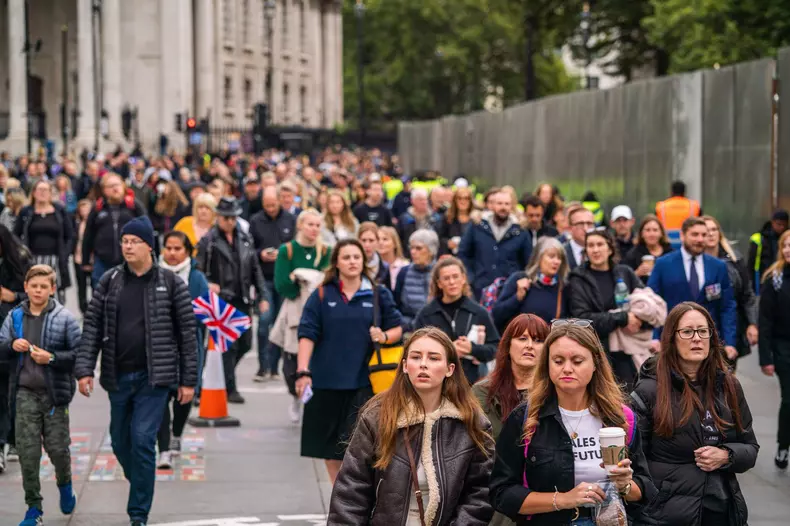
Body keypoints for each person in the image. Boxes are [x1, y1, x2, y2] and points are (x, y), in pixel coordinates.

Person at [75, 216, 197, 526]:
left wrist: (188, 380)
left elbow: (187, 333)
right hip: (118, 376)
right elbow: (92, 325)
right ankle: (142, 481)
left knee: (143, 439)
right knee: (119, 440)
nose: (127, 246)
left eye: (134, 242)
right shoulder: (111, 280)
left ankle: (138, 513)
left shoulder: (170, 283)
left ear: (149, 247)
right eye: (124, 242)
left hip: (154, 378)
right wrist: (84, 368)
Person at [490, 320, 655, 525]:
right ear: (547, 365)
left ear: (595, 363)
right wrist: (564, 499)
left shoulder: (621, 418)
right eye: (558, 361)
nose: (567, 369)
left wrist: (625, 485)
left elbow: (645, 488)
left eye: (577, 361)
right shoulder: (525, 418)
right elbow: (502, 493)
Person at [328, 327, 495, 526]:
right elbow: (351, 491)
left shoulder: (471, 422)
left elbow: (480, 494)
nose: (423, 364)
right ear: (405, 365)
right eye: (416, 357)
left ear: (450, 369)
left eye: (433, 358)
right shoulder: (377, 416)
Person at [631, 302, 758, 525]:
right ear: (671, 338)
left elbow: (750, 448)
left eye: (703, 331)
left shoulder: (728, 385)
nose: (696, 338)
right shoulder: (649, 390)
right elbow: (634, 459)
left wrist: (727, 455)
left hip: (720, 507)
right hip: (667, 512)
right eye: (687, 332)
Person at [295, 239, 402, 484]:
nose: (352, 261)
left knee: (363, 448)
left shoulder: (377, 292)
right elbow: (307, 333)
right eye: (346, 257)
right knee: (329, 448)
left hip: (364, 384)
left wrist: (384, 336)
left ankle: (358, 498)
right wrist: (303, 371)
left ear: (363, 261)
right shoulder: (322, 294)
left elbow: (397, 327)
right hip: (326, 381)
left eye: (357, 257)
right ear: (336, 263)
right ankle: (339, 496)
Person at [0, 265, 81, 526]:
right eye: (33, 286)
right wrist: (11, 345)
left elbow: (79, 355)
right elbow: (1, 346)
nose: (38, 290)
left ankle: (65, 483)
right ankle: (33, 508)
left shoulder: (65, 318)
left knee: (58, 449)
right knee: (28, 452)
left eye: (43, 286)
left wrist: (52, 358)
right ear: (25, 287)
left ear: (52, 289)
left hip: (54, 395)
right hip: (24, 393)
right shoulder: (14, 317)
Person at [196, 197, 269, 404]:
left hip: (243, 298)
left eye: (233, 217)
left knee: (245, 343)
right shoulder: (209, 241)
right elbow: (198, 269)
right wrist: (208, 283)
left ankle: (217, 377)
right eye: (226, 217)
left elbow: (255, 269)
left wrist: (262, 296)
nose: (230, 221)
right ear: (218, 217)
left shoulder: (244, 237)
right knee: (228, 347)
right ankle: (229, 387)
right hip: (222, 301)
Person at [648, 217, 738, 357]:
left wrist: (730, 342)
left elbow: (727, 306)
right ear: (682, 235)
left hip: (708, 342)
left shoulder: (717, 266)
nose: (700, 239)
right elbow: (653, 303)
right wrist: (655, 337)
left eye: (704, 235)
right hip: (672, 341)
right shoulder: (663, 264)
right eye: (695, 234)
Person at [273, 208, 331, 420]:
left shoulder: (325, 251)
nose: (314, 229)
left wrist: (305, 278)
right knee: (291, 356)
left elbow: (327, 279)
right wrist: (300, 282)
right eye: (310, 224)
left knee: (317, 354)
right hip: (295, 309)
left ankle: (311, 399)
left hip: (321, 308)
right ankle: (295, 395)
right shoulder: (287, 250)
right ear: (300, 225)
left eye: (317, 225)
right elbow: (282, 284)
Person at [156, 232, 209, 468]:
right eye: (168, 248)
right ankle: (164, 448)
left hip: (188, 345)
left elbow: (205, 313)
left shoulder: (196, 278)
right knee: (160, 397)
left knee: (184, 397)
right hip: (159, 345)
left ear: (187, 252)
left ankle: (176, 434)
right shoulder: (154, 274)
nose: (172, 253)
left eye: (178, 248)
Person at [568, 230, 645, 389]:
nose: (595, 250)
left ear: (610, 249)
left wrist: (638, 318)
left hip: (627, 351)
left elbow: (646, 302)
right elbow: (582, 318)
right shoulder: (578, 279)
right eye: (590, 245)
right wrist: (622, 318)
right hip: (597, 351)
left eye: (600, 244)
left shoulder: (625, 273)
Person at [412, 257, 499, 384]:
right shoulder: (426, 314)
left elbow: (496, 349)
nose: (452, 282)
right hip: (435, 383)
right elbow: (415, 351)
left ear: (463, 278)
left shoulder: (479, 312)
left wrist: (472, 349)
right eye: (446, 278)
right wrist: (449, 351)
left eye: (455, 276)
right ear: (439, 283)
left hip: (470, 384)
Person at [249, 186, 296, 382]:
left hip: (283, 278)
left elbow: (295, 245)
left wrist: (282, 254)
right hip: (264, 278)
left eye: (273, 205)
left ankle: (275, 367)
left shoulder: (290, 220)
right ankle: (263, 366)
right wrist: (261, 254)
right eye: (266, 205)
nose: (270, 208)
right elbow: (249, 249)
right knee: (264, 322)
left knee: (279, 324)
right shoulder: (255, 220)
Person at [703, 215, 758, 369]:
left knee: (727, 377)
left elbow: (747, 294)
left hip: (732, 324)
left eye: (714, 229)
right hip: (705, 325)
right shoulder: (696, 263)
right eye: (706, 231)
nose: (711, 234)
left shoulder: (734, 258)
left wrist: (752, 323)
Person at [0, 225, 34, 472]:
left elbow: (37, 297)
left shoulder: (17, 263)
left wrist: (13, 296)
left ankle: (7, 439)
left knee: (7, 389)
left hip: (8, 335)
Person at [458, 190, 533, 299]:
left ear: (512, 206)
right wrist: (470, 278)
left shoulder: (521, 231)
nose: (503, 207)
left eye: (507, 204)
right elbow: (463, 253)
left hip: (508, 291)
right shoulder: (477, 226)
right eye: (499, 203)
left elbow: (529, 262)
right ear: (492, 205)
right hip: (479, 288)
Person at [758, 229, 790, 469]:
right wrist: (765, 357)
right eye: (786, 245)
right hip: (783, 347)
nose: (788, 250)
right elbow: (765, 320)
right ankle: (783, 445)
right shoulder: (775, 278)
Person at [82, 173, 147, 288]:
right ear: (104, 190)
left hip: (130, 260)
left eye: (117, 185)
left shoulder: (133, 206)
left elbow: (147, 230)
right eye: (110, 186)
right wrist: (85, 260)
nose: (115, 188)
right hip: (103, 261)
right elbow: (88, 235)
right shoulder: (98, 208)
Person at [15, 179, 75, 304]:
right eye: (39, 190)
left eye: (45, 190)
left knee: (55, 293)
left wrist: (66, 253)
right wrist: (22, 252)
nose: (42, 193)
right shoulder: (26, 211)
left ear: (50, 193)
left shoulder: (59, 211)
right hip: (32, 260)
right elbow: (15, 234)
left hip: (55, 260)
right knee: (34, 293)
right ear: (34, 193)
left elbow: (70, 235)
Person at [492, 237, 569, 332]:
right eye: (551, 256)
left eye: (559, 257)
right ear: (539, 257)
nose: (556, 261)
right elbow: (497, 315)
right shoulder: (520, 278)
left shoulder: (563, 287)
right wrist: (517, 297)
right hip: (521, 341)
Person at [394, 229, 439, 334]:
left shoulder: (441, 272)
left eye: (418, 248)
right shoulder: (404, 272)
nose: (413, 252)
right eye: (411, 248)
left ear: (431, 251)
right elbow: (396, 305)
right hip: (409, 329)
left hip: (436, 328)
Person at [749, 208, 789, 294]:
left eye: (784, 225)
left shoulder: (787, 237)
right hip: (762, 281)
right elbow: (751, 263)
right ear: (772, 222)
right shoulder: (760, 238)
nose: (782, 227)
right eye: (779, 224)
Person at [623, 214, 673, 280]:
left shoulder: (670, 253)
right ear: (641, 234)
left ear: (661, 233)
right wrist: (637, 273)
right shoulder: (632, 255)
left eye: (655, 230)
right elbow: (624, 280)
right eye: (647, 230)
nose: (651, 234)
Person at [655, 180, 701, 249]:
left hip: (666, 244)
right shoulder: (694, 206)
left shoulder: (661, 206)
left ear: (672, 191)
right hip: (689, 244)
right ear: (684, 192)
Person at [73, 199, 93, 315]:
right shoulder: (76, 224)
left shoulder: (95, 224)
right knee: (81, 285)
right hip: (78, 258)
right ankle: (83, 308)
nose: (85, 211)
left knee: (95, 284)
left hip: (92, 259)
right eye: (82, 209)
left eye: (87, 209)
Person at [357, 221, 391, 288]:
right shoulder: (351, 264)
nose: (367, 245)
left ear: (377, 241)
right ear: (358, 241)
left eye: (371, 240)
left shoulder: (385, 268)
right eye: (363, 240)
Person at [563, 206, 595, 270]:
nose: (586, 229)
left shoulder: (602, 252)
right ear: (570, 228)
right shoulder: (562, 252)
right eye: (580, 224)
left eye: (589, 224)